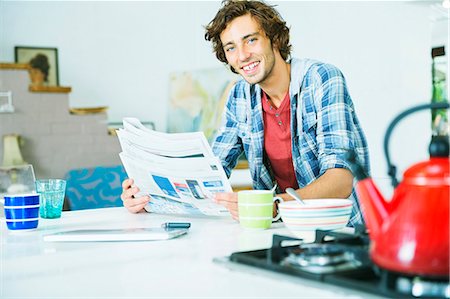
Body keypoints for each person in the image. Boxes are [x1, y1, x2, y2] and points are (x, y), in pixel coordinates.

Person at [121, 0, 370, 226]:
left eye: (251, 40)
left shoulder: (321, 79)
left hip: (342, 231)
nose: (242, 56)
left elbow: (341, 179)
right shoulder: (240, 96)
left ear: (274, 39)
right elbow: (210, 169)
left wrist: (275, 205)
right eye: (231, 48)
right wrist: (148, 196)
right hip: (281, 229)